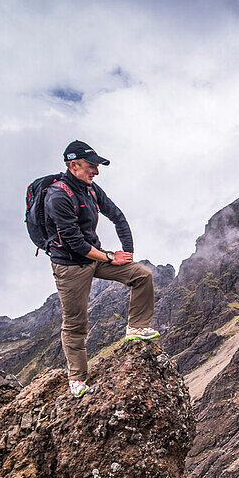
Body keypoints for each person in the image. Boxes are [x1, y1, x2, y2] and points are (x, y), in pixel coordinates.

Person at [44, 140, 159, 397]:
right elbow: (75, 244)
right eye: (91, 166)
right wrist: (110, 259)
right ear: (74, 165)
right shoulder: (58, 196)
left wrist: (127, 252)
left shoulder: (91, 190)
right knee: (76, 323)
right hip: (71, 266)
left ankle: (137, 327)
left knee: (141, 275)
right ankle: (77, 379)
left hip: (94, 256)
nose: (96, 171)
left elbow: (117, 216)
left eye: (97, 166)